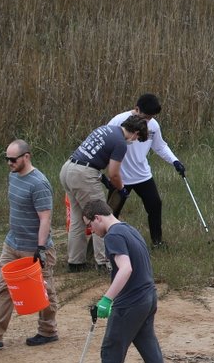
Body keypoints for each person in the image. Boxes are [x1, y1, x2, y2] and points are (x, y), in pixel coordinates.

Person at [74, 199, 171, 363]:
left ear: (97, 217)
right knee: (148, 345)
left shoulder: (113, 236)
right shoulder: (129, 229)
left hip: (131, 303)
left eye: (90, 225)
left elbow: (125, 269)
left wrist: (106, 300)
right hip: (148, 296)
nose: (91, 230)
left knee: (111, 349)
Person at [0, 140, 60, 349]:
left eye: (13, 159)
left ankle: (48, 331)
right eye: (7, 159)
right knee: (3, 287)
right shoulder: (13, 176)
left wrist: (40, 248)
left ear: (26, 157)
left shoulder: (39, 184)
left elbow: (45, 218)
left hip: (34, 247)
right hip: (12, 243)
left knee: (44, 289)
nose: (9, 163)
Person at [61, 115, 149, 271]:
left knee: (77, 218)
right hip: (83, 174)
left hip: (68, 169)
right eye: (137, 138)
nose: (135, 141)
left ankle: (75, 263)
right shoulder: (121, 142)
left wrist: (103, 179)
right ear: (135, 132)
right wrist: (121, 189)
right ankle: (103, 262)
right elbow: (114, 173)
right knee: (101, 217)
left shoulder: (105, 129)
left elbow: (91, 156)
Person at [106, 94, 184, 248]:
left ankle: (157, 241)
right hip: (120, 177)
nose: (147, 121)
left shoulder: (153, 126)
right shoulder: (117, 121)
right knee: (110, 212)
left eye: (151, 117)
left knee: (155, 205)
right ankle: (104, 245)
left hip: (143, 175)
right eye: (146, 116)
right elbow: (106, 142)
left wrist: (175, 161)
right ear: (136, 109)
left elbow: (160, 146)